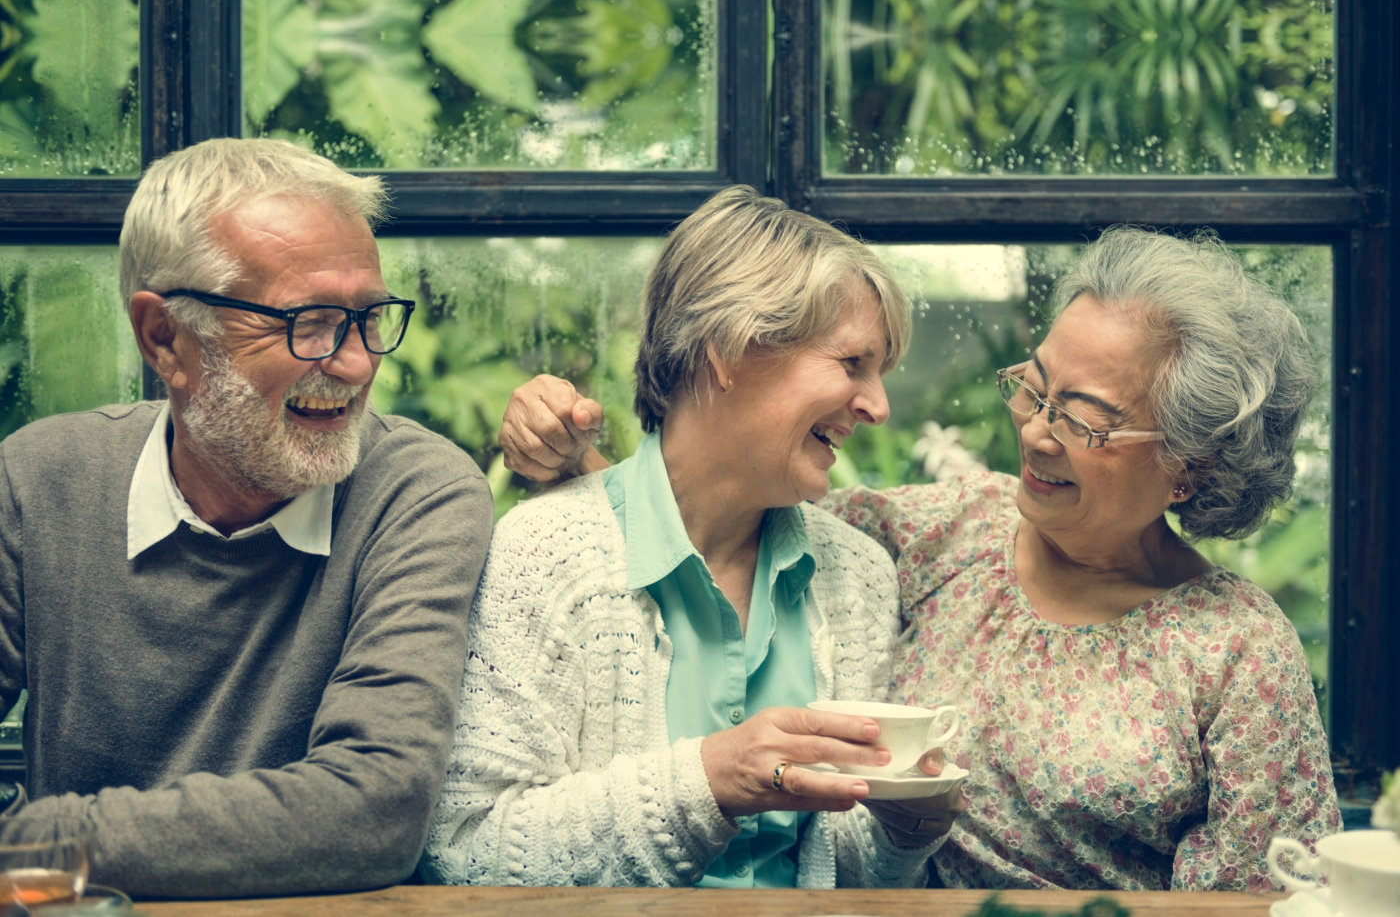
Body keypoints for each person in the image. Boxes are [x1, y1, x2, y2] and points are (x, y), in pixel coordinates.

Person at [494, 224, 1341, 892]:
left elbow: (1273, 895)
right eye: (1033, 387)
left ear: (1190, 460)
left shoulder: (1236, 648)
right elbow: (712, 499)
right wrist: (574, 461)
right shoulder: (945, 533)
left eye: (1082, 417)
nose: (1035, 431)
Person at [419, 186, 963, 889]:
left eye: (880, 373)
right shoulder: (542, 553)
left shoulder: (855, 574)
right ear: (731, 349)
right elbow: (466, 852)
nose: (878, 406)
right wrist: (709, 781)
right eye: (852, 363)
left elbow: (849, 876)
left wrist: (904, 834)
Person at [0, 138, 494, 898]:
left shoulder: (416, 492)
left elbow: (375, 810)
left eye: (368, 319)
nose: (357, 362)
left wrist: (40, 844)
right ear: (166, 338)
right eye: (308, 322)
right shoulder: (36, 483)